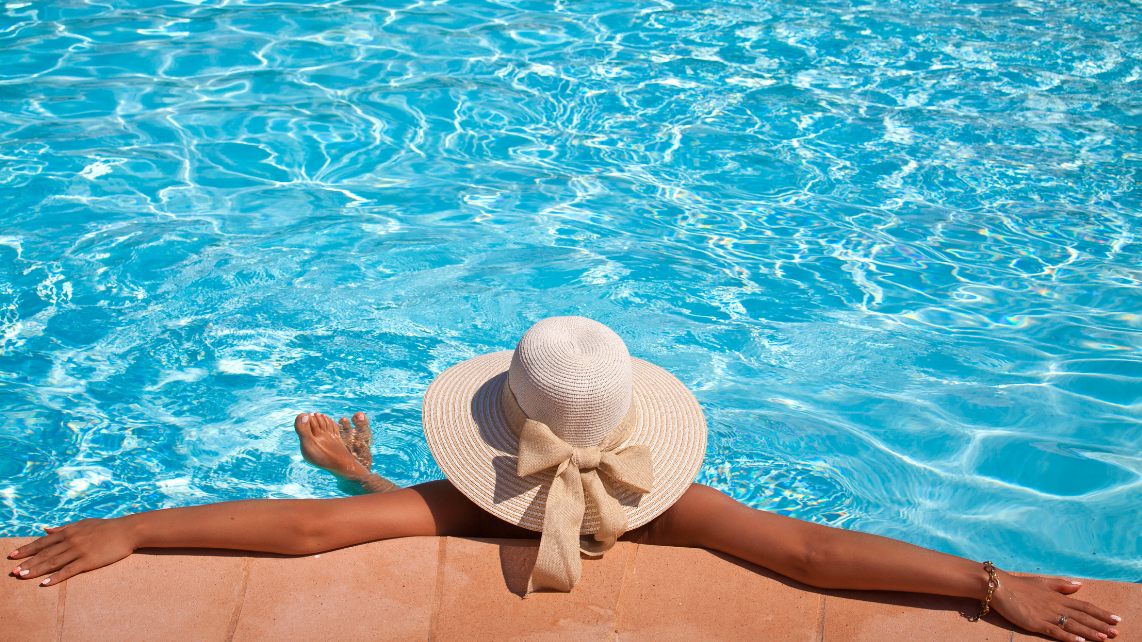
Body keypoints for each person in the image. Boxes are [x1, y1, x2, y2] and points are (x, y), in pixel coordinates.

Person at [8, 317, 1121, 642]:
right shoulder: (674, 507)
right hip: (599, 504)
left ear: (500, 429)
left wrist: (136, 530)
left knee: (404, 517)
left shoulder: (462, 500)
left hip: (446, 510)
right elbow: (810, 553)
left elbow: (310, 538)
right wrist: (988, 585)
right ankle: (356, 468)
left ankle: (352, 468)